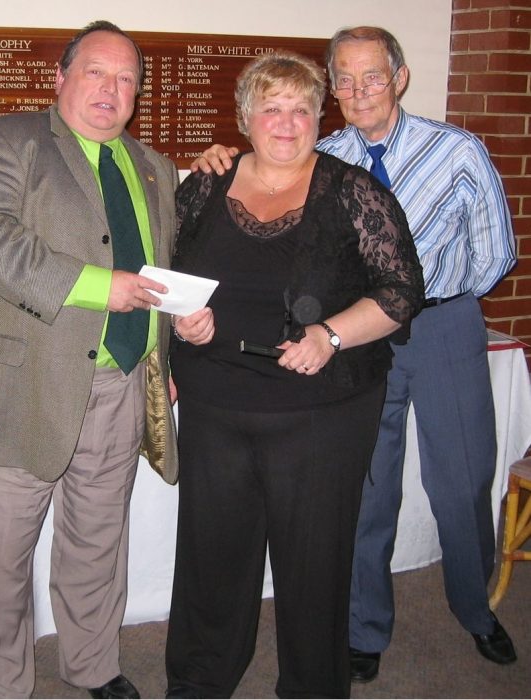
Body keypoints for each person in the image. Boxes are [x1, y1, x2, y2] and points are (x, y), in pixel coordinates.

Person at [192, 25, 518, 682]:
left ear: (398, 77)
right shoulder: (321, 152)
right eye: (343, 77)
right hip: (351, 334)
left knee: (458, 482)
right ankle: (363, 626)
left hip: (439, 326)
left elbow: (495, 252)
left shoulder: (455, 149)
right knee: (365, 488)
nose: (358, 89)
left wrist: (442, 304)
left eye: (372, 75)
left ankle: (473, 609)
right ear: (330, 88)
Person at [164, 50, 424, 699]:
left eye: (300, 109)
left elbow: (399, 290)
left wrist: (330, 334)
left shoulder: (351, 190)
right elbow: (167, 276)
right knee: (211, 556)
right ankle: (200, 678)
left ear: (318, 117)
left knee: (312, 567)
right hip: (214, 403)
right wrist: (183, 322)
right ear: (245, 117)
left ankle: (311, 688)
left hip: (319, 411)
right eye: (270, 108)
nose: (285, 122)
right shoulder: (201, 185)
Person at [0, 21, 180, 699]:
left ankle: (92, 665)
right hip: (19, 389)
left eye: (126, 80)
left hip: (120, 386)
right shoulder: (7, 140)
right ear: (60, 78)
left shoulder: (154, 166)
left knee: (96, 541)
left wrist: (159, 353)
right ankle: (0, 687)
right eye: (95, 73)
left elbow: (164, 271)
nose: (112, 91)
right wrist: (94, 285)